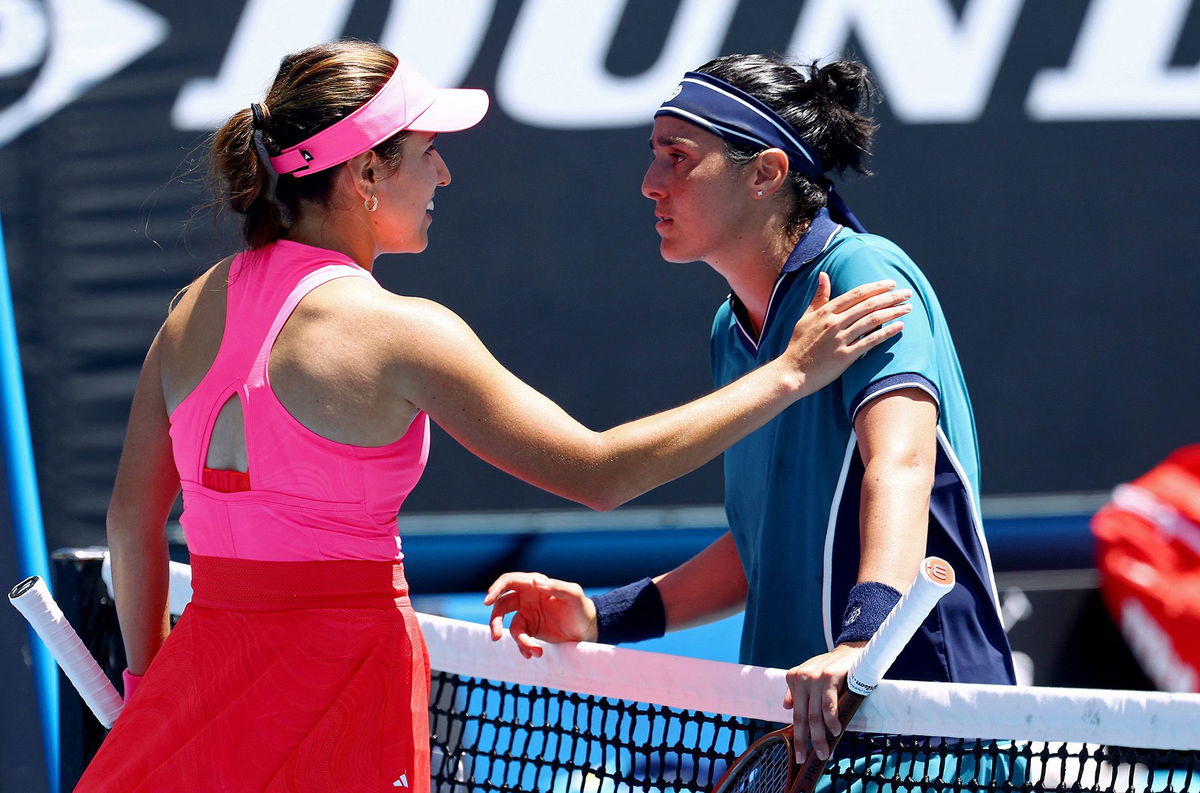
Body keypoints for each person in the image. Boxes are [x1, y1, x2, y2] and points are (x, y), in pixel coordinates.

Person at [74, 42, 910, 793]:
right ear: (366, 177)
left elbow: (129, 520)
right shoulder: (401, 330)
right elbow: (598, 471)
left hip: (195, 691)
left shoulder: (191, 309)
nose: (442, 176)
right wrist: (792, 373)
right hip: (342, 697)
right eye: (427, 154)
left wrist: (151, 692)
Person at [485, 54, 1017, 768]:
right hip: (797, 732)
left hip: (917, 724)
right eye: (654, 156)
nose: (650, 183)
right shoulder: (731, 333)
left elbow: (902, 463)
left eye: (679, 158)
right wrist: (599, 614)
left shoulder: (864, 274)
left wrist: (860, 644)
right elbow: (758, 547)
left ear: (765, 173)